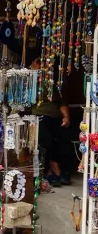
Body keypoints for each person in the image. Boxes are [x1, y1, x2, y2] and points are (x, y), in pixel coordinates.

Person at [30, 57, 72, 187]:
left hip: (55, 118)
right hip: (39, 117)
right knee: (46, 139)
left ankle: (52, 171)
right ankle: (54, 170)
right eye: (38, 62)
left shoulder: (51, 83)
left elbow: (61, 103)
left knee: (63, 138)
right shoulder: (30, 81)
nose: (41, 65)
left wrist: (66, 117)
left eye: (44, 63)